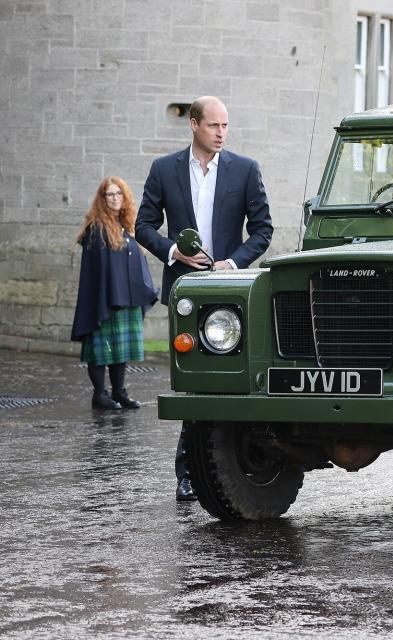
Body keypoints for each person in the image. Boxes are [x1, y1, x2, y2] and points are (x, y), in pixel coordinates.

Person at [136, 96, 273, 501]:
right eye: (214, 126)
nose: (221, 133)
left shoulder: (245, 169)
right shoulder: (164, 169)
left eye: (226, 126)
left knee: (231, 378)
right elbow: (143, 225)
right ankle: (188, 472)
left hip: (232, 291)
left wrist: (233, 263)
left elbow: (263, 229)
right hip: (185, 293)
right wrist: (173, 252)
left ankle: (234, 465)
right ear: (193, 124)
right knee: (191, 382)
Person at [72, 177, 158, 410]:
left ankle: (119, 392)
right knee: (101, 349)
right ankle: (100, 394)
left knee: (121, 349)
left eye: (118, 193)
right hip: (105, 300)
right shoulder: (97, 228)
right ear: (102, 198)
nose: (114, 198)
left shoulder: (126, 226)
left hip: (126, 299)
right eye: (110, 194)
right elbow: (97, 272)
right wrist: (103, 301)